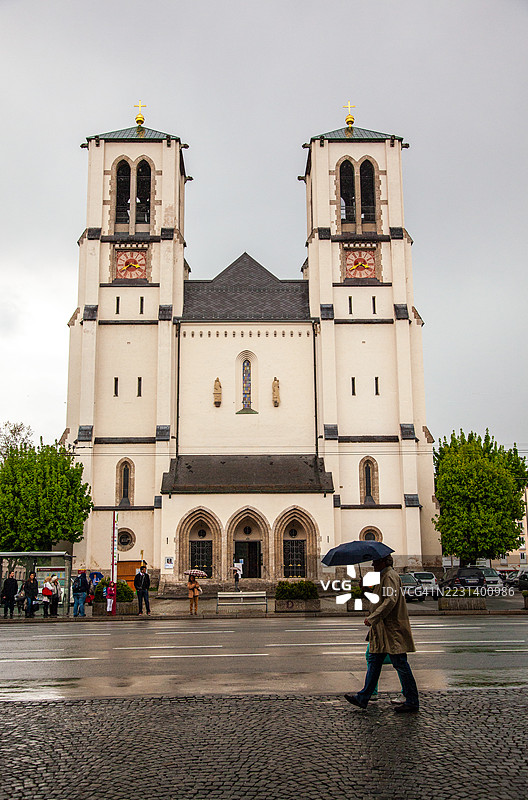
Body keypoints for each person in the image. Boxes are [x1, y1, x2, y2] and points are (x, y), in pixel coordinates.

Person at [344, 555, 420, 713]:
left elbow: (390, 600)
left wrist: (373, 617)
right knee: (374, 661)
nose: (372, 564)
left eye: (376, 561)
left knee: (399, 663)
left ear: (385, 562)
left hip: (391, 629)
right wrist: (365, 589)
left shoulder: (390, 576)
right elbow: (379, 598)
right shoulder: (384, 576)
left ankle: (412, 700)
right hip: (382, 629)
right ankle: (363, 697)